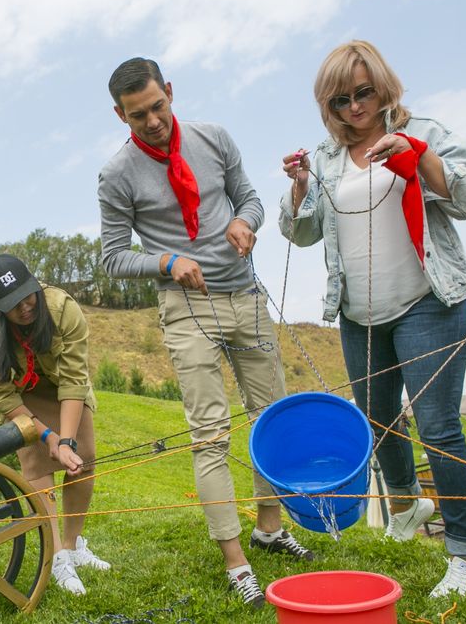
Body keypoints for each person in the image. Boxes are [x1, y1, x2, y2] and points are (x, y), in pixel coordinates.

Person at [98, 57, 313, 610]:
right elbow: (113, 257)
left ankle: (270, 527)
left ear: (169, 92)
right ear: (119, 114)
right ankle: (236, 560)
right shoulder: (116, 175)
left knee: (273, 418)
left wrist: (247, 222)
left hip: (246, 297)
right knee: (210, 434)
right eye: (136, 115)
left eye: (157, 107)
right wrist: (167, 262)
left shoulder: (214, 138)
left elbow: (252, 200)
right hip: (187, 309)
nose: (151, 121)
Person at [278, 40, 466, 598]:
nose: (353, 109)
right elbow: (300, 232)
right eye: (339, 100)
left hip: (428, 304)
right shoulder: (324, 159)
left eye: (362, 93)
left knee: (439, 429)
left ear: (384, 86)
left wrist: (419, 156)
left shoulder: (425, 130)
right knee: (378, 422)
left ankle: (465, 555)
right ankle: (406, 504)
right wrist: (298, 188)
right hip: (358, 316)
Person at [0, 254, 110, 596]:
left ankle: (74, 543)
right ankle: (56, 555)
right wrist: (47, 436)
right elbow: (2, 395)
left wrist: (66, 441)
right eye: (12, 305)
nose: (24, 308)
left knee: (85, 456)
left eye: (27, 296)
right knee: (36, 464)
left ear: (35, 285)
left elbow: (75, 380)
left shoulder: (63, 308)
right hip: (19, 396)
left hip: (63, 387)